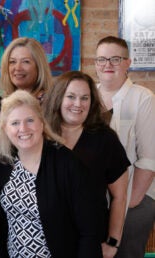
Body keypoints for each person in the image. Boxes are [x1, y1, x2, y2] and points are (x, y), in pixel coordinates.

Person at [0, 90, 102, 258]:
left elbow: (90, 231)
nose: (23, 128)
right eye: (14, 123)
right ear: (5, 129)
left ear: (41, 123)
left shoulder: (67, 164)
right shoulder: (3, 163)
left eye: (30, 120)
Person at [43, 71, 130, 258]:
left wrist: (113, 243)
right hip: (46, 243)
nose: (78, 104)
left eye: (85, 98)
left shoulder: (105, 140)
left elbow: (120, 197)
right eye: (71, 97)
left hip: (92, 243)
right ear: (58, 98)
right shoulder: (42, 138)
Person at [95, 35, 155, 258]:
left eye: (115, 59)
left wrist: (127, 203)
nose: (107, 65)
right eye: (102, 59)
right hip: (97, 201)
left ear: (128, 63)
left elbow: (149, 158)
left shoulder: (144, 98)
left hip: (134, 199)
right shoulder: (87, 95)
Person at [0, 37, 52, 102]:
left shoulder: (49, 103)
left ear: (39, 66)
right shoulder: (5, 101)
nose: (18, 68)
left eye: (26, 62)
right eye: (12, 62)